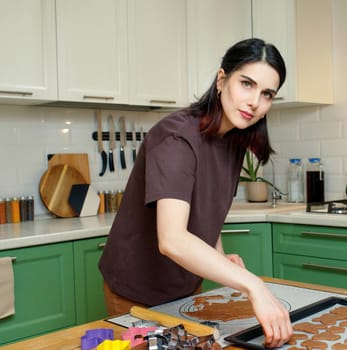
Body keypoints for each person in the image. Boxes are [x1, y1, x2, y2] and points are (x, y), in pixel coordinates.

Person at [99, 38, 292, 347]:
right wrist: (254, 286)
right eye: (246, 84)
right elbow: (173, 240)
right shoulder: (176, 137)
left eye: (267, 93)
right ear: (221, 79)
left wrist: (219, 260)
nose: (255, 101)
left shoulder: (233, 141)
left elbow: (205, 217)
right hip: (137, 290)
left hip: (186, 286)